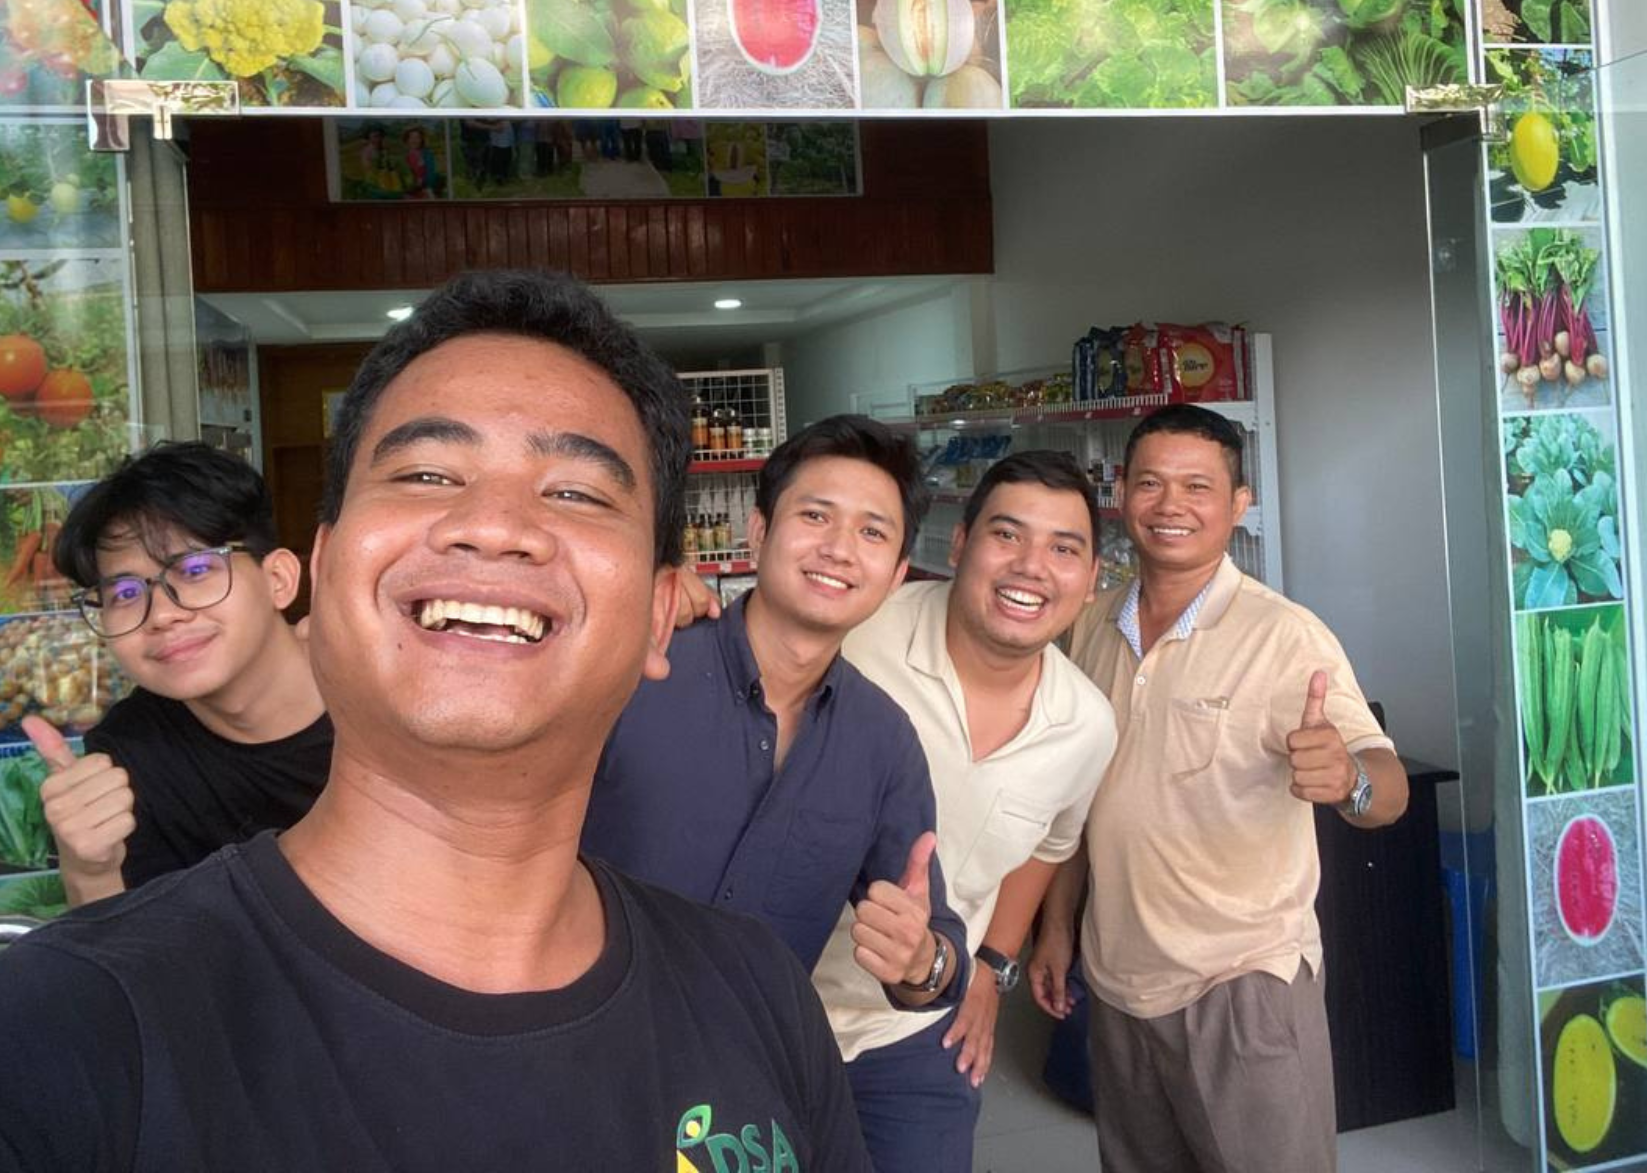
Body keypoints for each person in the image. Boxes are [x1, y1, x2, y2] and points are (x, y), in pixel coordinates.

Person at [0, 271, 869, 1172]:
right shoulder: (35, 1052)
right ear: (328, 566)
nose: (493, 525)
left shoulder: (754, 993)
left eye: (577, 494)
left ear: (660, 608)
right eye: (428, 471)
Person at [680, 450, 1119, 1173]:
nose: (1031, 566)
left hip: (912, 1022)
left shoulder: (1086, 725)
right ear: (959, 545)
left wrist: (989, 965)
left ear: (1092, 578)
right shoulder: (858, 626)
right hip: (756, 1011)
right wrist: (665, 592)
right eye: (1007, 535)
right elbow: (751, 641)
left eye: (1064, 548)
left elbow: (1048, 846)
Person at [1030, 403, 1410, 1173]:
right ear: (1122, 494)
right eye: (1151, 484)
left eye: (1198, 487)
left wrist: (1350, 783)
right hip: (1119, 977)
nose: (1171, 507)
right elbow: (1075, 799)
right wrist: (1057, 927)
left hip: (1243, 984)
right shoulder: (1090, 625)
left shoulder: (1284, 634)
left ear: (1238, 504)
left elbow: (1388, 785)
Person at [585, 415, 969, 1012]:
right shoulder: (641, 665)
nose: (838, 549)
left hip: (745, 1068)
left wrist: (922, 961)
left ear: (896, 576)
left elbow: (935, 954)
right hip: (575, 1034)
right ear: (759, 531)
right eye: (815, 516)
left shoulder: (882, 741)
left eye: (872, 533)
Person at [28, 440, 328, 906]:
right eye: (125, 593)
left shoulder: (388, 695)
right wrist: (91, 871)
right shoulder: (129, 755)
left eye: (194, 568)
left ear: (279, 580)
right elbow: (132, 963)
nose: (162, 614)